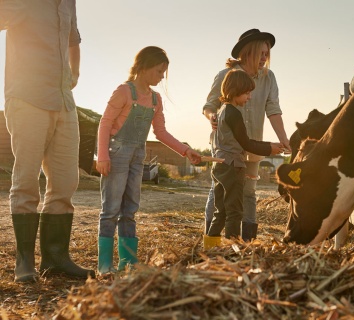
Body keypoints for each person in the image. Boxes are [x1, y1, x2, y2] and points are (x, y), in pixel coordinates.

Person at [1, 0, 94, 283]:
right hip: (28, 96)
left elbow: (73, 38)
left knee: (65, 181)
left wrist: (74, 74)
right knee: (27, 178)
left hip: (64, 101)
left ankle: (55, 258)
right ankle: (25, 260)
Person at [96, 46, 201, 275]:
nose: (161, 77)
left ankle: (128, 262)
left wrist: (185, 150)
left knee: (130, 208)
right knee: (111, 209)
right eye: (159, 71)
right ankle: (104, 265)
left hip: (137, 156)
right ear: (143, 67)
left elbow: (161, 133)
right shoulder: (124, 91)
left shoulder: (155, 99)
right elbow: (105, 123)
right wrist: (102, 155)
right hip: (117, 154)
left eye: (163, 72)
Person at [202, 29, 291, 241]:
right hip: (227, 147)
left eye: (266, 54)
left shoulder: (269, 78)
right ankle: (211, 240)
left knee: (249, 192)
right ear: (246, 52)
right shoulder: (225, 76)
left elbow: (274, 110)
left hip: (253, 145)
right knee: (220, 194)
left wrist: (285, 141)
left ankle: (246, 243)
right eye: (260, 53)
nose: (264, 58)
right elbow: (209, 105)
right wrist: (212, 116)